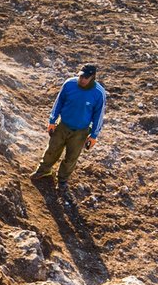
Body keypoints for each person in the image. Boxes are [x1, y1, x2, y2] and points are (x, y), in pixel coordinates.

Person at [31, 62, 107, 192]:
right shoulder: (69, 84)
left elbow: (99, 115)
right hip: (63, 125)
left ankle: (62, 180)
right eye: (80, 76)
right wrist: (52, 120)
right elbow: (58, 102)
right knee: (52, 149)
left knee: (71, 157)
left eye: (85, 78)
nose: (82, 80)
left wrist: (94, 135)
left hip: (81, 131)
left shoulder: (99, 93)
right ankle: (43, 170)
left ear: (92, 77)